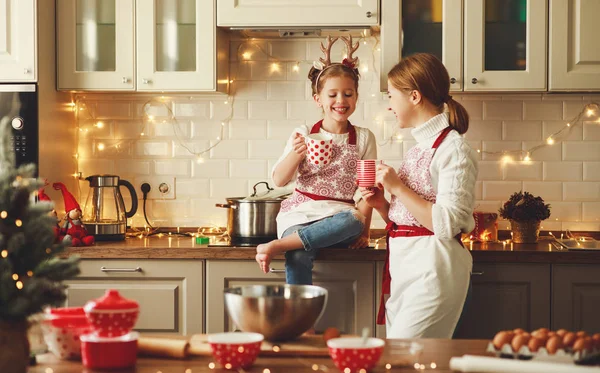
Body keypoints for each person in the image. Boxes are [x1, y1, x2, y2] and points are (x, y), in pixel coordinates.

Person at [362, 53, 478, 338]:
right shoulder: (418, 147)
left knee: (408, 360)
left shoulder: (454, 149)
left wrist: (398, 187)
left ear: (414, 96)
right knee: (403, 361)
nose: (389, 105)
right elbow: (413, 219)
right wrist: (382, 206)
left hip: (433, 269)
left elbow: (446, 223)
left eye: (391, 96)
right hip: (405, 268)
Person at [255, 36, 377, 285]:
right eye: (332, 94)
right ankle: (302, 325)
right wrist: (295, 154)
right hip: (299, 215)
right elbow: (279, 180)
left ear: (356, 97)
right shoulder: (303, 132)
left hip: (339, 218)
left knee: (354, 219)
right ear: (318, 99)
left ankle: (278, 245)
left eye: (348, 94)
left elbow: (367, 192)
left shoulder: (364, 138)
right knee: (298, 254)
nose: (341, 101)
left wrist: (363, 232)